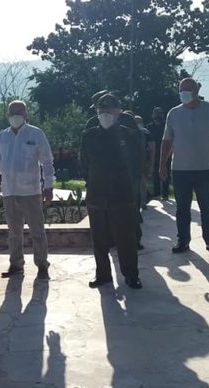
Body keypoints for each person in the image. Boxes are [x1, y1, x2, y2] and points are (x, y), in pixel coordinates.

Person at [80, 94, 144, 289]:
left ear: (118, 112)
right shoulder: (89, 136)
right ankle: (103, 275)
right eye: (101, 110)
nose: (105, 114)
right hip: (97, 194)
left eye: (109, 110)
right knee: (99, 239)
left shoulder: (130, 135)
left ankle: (131, 275)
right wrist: (92, 182)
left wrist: (128, 186)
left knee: (126, 238)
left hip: (122, 194)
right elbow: (84, 164)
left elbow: (137, 163)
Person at [0, 100, 55, 280]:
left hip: (31, 192)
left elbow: (47, 161)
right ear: (7, 115)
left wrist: (48, 186)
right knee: (14, 233)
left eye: (19, 112)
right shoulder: (1, 137)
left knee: (37, 232)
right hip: (9, 192)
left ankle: (42, 266)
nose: (15, 115)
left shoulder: (36, 134)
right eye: (12, 112)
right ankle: (16, 265)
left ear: (26, 115)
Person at [159, 78, 209, 255]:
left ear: (196, 91)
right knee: (182, 209)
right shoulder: (174, 113)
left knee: (207, 209)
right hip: (180, 170)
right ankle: (183, 241)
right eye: (181, 90)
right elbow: (167, 140)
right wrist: (162, 163)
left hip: (205, 168)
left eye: (187, 90)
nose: (183, 94)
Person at [147, 107, 170, 201]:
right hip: (154, 153)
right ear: (153, 115)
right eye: (156, 113)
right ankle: (157, 194)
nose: (157, 115)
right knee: (155, 175)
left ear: (162, 115)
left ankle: (165, 194)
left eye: (159, 113)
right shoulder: (149, 127)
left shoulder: (166, 126)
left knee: (165, 173)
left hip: (165, 153)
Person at [135, 115, 153, 210]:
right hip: (135, 162)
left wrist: (150, 164)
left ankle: (143, 202)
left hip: (143, 160)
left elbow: (151, 148)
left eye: (139, 121)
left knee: (143, 183)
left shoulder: (146, 132)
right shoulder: (130, 132)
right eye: (136, 121)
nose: (137, 123)